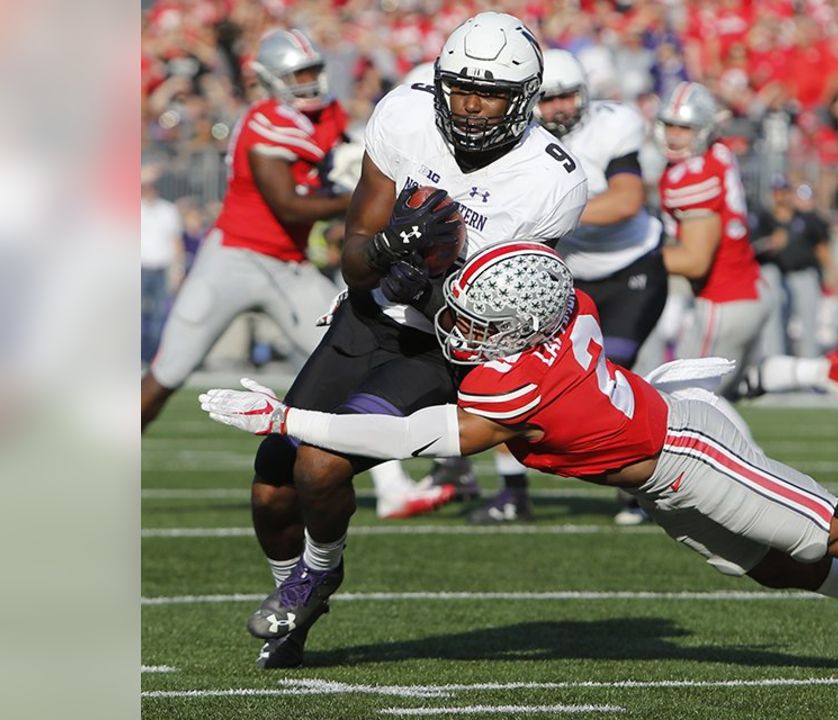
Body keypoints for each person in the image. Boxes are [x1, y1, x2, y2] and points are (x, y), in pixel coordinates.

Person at [202, 241, 838, 677]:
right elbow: (543, 309)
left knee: (835, 531)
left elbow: (407, 441)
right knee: (782, 573)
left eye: (479, 320)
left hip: (686, 453)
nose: (462, 329)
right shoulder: (562, 312)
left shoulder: (516, 382)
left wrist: (287, 416)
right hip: (657, 446)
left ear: (518, 325)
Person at [241, 12, 587, 670]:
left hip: (444, 345)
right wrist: (387, 249)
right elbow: (353, 258)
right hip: (370, 317)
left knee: (322, 462)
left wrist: (432, 284)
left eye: (489, 93)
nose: (470, 105)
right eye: (458, 87)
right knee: (272, 487)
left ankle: (319, 572)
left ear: (525, 98)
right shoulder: (405, 115)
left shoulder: (551, 179)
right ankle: (294, 598)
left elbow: (516, 314)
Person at [460, 49, 670, 526]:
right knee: (505, 369)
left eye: (566, 97)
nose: (556, 108)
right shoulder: (514, 139)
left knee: (610, 374)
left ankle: (631, 485)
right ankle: (513, 492)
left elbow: (625, 201)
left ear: (586, 95)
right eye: (547, 98)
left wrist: (539, 214)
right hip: (561, 276)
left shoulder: (615, 126)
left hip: (630, 269)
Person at [140, 28, 350, 430]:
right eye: (296, 75)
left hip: (289, 265)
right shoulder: (264, 121)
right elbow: (288, 206)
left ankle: (394, 487)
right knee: (168, 372)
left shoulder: (330, 116)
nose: (308, 82)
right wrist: (354, 199)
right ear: (270, 78)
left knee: (348, 362)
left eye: (312, 71)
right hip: (234, 258)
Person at [655, 82, 838, 422]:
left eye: (685, 128)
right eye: (670, 126)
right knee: (741, 382)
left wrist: (639, 256)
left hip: (723, 300)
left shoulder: (692, 176)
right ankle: (819, 371)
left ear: (703, 130)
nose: (675, 136)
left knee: (684, 405)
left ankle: (750, 470)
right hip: (750, 288)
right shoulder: (718, 152)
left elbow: (696, 262)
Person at [754, 179, 838, 360]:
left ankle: (809, 368)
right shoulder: (765, 219)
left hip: (803, 275)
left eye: (784, 191)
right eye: (777, 192)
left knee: (809, 326)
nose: (781, 196)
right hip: (777, 278)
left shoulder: (805, 219)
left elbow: (821, 247)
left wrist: (832, 273)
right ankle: (778, 365)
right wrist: (770, 243)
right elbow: (752, 248)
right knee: (777, 324)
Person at [140, 164, 184, 363]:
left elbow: (176, 243)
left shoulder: (168, 210)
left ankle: (152, 358)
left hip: (160, 269)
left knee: (159, 316)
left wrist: (177, 270)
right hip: (139, 268)